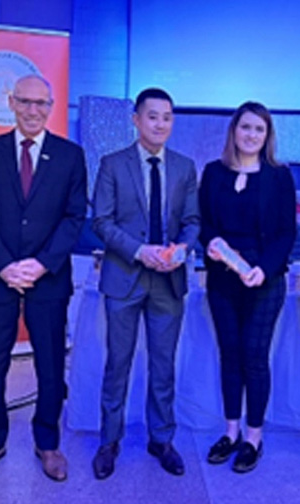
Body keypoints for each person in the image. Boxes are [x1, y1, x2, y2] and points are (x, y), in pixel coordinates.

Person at [0, 75, 87, 484]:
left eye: (41, 103)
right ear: (12, 103)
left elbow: (74, 218)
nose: (33, 110)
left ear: (51, 106)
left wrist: (41, 264)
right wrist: (4, 266)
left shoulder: (70, 156)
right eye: (25, 102)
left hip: (47, 278)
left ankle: (47, 442)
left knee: (50, 365)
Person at [91, 87, 199, 479]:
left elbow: (193, 221)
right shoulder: (112, 164)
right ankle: (109, 441)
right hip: (125, 278)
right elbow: (101, 221)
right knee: (117, 363)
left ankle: (161, 439)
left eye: (167, 117)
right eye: (152, 116)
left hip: (168, 282)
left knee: (163, 364)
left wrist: (182, 250)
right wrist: (140, 251)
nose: (160, 124)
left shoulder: (185, 167)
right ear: (136, 119)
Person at [198, 102, 296, 472]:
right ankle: (231, 431)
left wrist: (264, 269)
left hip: (264, 280)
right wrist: (211, 243)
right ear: (233, 131)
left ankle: (254, 436)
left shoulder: (279, 176)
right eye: (245, 128)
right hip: (223, 278)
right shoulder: (213, 172)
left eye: (259, 129)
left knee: (255, 358)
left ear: (267, 135)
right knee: (230, 354)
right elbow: (204, 222)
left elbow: (287, 232)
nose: (251, 135)